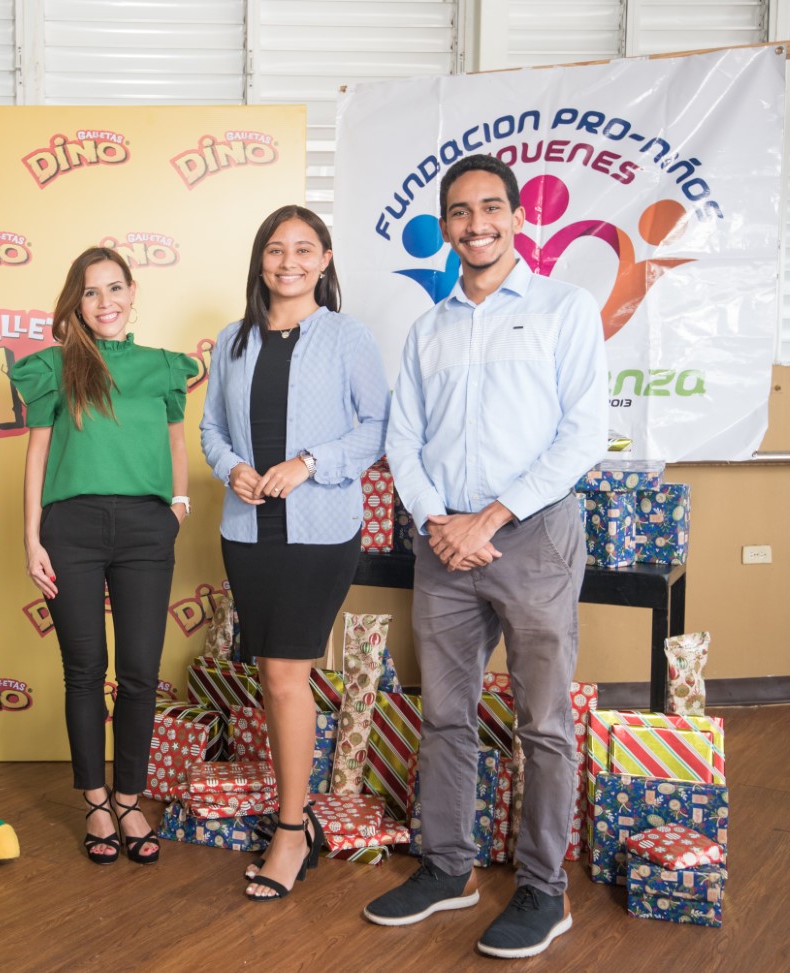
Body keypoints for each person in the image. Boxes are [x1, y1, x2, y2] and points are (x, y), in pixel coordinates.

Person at [364, 154, 608, 958]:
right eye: (461, 212)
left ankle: (543, 888)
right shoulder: (428, 329)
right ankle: (447, 868)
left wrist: (492, 515)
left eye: (491, 207)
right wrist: (440, 519)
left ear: (516, 216)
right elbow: (404, 438)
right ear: (446, 226)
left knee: (542, 722)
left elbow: (582, 432)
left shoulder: (563, 308)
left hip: (532, 536)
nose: (477, 224)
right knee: (446, 715)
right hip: (442, 543)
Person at [200, 205, 389, 900]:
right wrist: (231, 469)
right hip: (247, 534)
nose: (288, 261)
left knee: (285, 674)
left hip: (318, 533)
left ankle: (290, 827)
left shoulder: (347, 337)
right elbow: (210, 427)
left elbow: (376, 428)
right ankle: (295, 818)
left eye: (303, 249)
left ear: (326, 258)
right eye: (275, 249)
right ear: (260, 261)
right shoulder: (233, 339)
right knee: (277, 676)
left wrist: (311, 461)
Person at [11, 247, 198, 865]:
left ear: (133, 292)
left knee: (141, 670)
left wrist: (176, 506)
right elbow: (37, 455)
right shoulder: (54, 368)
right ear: (77, 304)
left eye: (115, 288)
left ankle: (128, 797)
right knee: (85, 670)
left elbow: (176, 441)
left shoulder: (163, 367)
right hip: (73, 530)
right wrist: (32, 537)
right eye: (91, 293)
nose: (106, 302)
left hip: (147, 529)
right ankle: (95, 800)